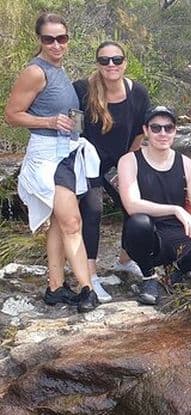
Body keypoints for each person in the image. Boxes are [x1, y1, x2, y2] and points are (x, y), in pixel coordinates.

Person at [4, 13, 99, 312]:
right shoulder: (35, 71)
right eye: (49, 39)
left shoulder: (58, 70)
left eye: (62, 38)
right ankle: (87, 288)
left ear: (68, 40)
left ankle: (55, 288)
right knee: (72, 223)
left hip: (67, 154)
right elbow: (11, 114)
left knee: (59, 224)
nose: (56, 44)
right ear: (40, 40)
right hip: (47, 157)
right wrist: (47, 120)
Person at [117, 106, 191, 305]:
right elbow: (132, 205)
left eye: (168, 128)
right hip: (149, 237)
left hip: (180, 236)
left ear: (175, 131)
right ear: (146, 130)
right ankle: (149, 277)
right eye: (156, 128)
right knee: (138, 223)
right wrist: (176, 209)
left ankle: (179, 267)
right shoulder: (130, 161)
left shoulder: (187, 164)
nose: (162, 133)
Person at [73, 41, 151, 302]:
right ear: (97, 64)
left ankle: (124, 260)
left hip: (120, 160)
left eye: (116, 60)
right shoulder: (83, 90)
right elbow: (74, 128)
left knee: (133, 206)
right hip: (88, 162)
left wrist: (126, 164)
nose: (111, 65)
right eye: (105, 60)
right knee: (93, 210)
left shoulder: (138, 93)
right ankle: (91, 276)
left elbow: (141, 132)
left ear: (125, 63)